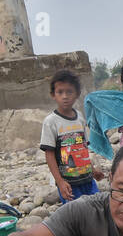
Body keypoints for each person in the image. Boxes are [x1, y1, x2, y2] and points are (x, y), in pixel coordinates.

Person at [40, 69, 97, 202]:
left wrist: (92, 170)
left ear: (77, 94)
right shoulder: (51, 122)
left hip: (87, 179)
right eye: (60, 92)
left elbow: (83, 149)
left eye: (69, 92)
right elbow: (49, 155)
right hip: (69, 184)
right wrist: (60, 182)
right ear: (53, 94)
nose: (65, 96)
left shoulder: (80, 118)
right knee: (75, 217)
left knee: (97, 211)